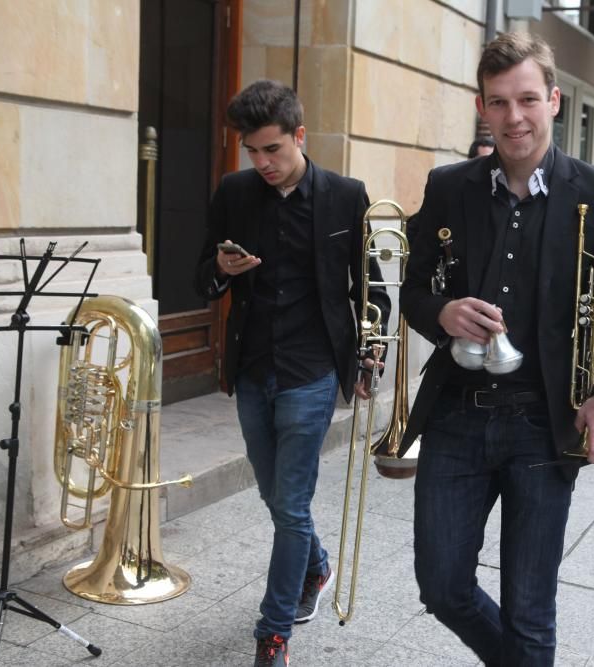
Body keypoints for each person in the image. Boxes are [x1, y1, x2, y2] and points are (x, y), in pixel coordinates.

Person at [398, 32, 594, 666]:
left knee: (531, 609)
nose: (515, 117)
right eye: (499, 103)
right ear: (482, 106)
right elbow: (413, 290)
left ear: (554, 100)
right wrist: (442, 313)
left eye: (527, 99)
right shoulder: (449, 185)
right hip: (456, 414)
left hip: (543, 421)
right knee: (442, 586)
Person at [194, 80, 390, 666]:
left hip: (311, 371)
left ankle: (272, 633)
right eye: (252, 152)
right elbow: (200, 274)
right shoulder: (234, 192)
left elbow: (371, 285)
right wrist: (223, 270)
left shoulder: (345, 195)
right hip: (252, 368)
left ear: (299, 136)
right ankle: (317, 564)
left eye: (272, 150)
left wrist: (368, 356)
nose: (262, 163)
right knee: (275, 494)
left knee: (292, 504)